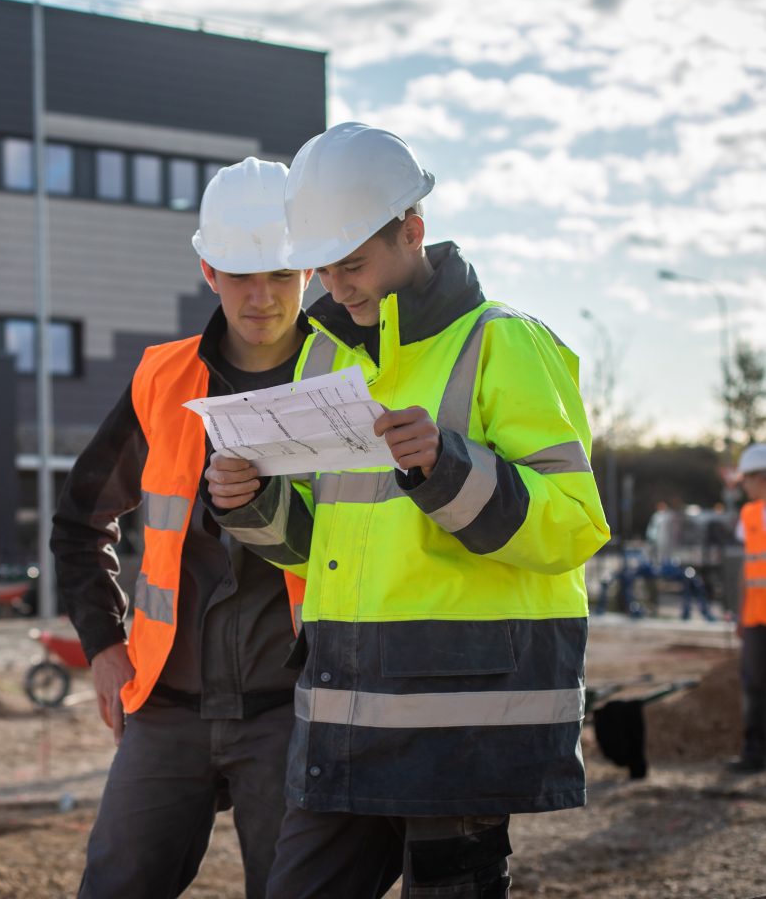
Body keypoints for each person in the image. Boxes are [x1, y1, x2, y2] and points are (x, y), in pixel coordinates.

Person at [205, 122, 610, 898]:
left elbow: (573, 524)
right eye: (322, 267)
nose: (335, 285)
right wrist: (252, 502)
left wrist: (446, 466)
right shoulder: (327, 355)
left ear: (412, 231)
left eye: (351, 263)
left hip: (460, 726)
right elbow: (322, 547)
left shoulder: (504, 343)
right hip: (341, 714)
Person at [51, 157, 313, 899]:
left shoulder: (346, 382)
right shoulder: (162, 382)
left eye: (282, 276)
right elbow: (78, 523)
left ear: (311, 274)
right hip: (167, 709)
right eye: (241, 276)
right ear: (208, 270)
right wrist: (103, 647)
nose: (262, 298)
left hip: (292, 712)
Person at [727, 442, 766, 773]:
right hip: (755, 617)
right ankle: (755, 754)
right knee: (754, 685)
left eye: (747, 480)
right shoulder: (749, 514)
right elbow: (746, 569)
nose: (744, 487)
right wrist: (740, 613)